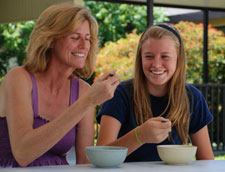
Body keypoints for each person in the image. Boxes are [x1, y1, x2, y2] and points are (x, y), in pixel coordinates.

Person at [0, 3, 119, 167]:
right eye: (75, 37)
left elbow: (84, 163)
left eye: (88, 38)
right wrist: (86, 102)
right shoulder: (19, 78)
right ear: (50, 40)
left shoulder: (83, 91)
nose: (84, 46)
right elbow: (23, 154)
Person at [96, 23, 214, 162]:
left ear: (178, 59)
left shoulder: (192, 97)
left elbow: (206, 160)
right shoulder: (121, 94)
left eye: (165, 56)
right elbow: (101, 157)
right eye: (149, 56)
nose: (156, 64)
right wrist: (139, 136)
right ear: (140, 58)